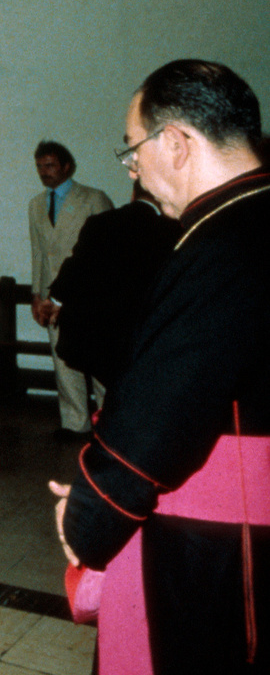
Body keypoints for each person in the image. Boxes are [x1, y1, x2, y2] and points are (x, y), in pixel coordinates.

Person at [53, 59, 270, 675]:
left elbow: (158, 414)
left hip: (223, 539)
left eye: (134, 151)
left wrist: (87, 518)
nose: (136, 171)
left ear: (174, 142)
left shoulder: (225, 243)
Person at [46, 181, 179, 388]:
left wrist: (55, 299)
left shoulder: (100, 222)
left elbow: (75, 267)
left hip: (95, 337)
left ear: (133, 194)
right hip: (139, 338)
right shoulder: (171, 231)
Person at [28, 140, 113, 440]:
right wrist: (37, 295)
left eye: (49, 165)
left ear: (67, 166)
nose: (43, 172)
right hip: (52, 298)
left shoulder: (93, 198)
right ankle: (75, 424)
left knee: (98, 361)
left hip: (87, 296)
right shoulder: (36, 204)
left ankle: (109, 424)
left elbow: (107, 252)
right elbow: (39, 252)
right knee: (63, 361)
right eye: (39, 166)